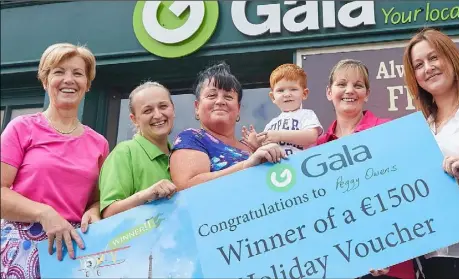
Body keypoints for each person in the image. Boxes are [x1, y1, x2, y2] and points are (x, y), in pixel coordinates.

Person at [1, 43, 109, 278]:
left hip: (74, 253)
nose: (68, 79)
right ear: (45, 81)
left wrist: (94, 210)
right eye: (59, 72)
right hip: (20, 249)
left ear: (87, 85)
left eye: (77, 73)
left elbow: (97, 200)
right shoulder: (21, 128)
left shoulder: (99, 143)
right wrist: (44, 213)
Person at [317, 59, 415, 279]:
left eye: (358, 85)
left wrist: (391, 249)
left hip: (391, 267)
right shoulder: (318, 147)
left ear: (367, 93)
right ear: (328, 92)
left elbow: (410, 193)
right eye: (341, 84)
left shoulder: (389, 131)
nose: (349, 91)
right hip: (340, 266)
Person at [403, 28, 459, 279]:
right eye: (418, 64)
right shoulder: (419, 129)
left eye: (433, 58)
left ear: (451, 58)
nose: (427, 68)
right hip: (431, 260)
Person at [170, 62, 287, 190]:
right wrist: (245, 166)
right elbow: (187, 189)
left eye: (228, 96)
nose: (220, 101)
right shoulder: (192, 138)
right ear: (197, 107)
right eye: (212, 95)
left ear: (238, 109)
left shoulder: (252, 148)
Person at [99, 82, 176, 218]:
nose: (158, 115)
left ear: (173, 109)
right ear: (134, 119)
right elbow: (109, 214)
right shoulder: (124, 153)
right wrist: (146, 195)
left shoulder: (180, 154)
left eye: (163, 106)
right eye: (148, 110)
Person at [241, 63, 323, 156]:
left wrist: (280, 136)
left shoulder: (307, 114)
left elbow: (311, 137)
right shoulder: (271, 125)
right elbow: (266, 154)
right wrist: (257, 146)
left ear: (304, 94)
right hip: (280, 169)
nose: (287, 94)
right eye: (281, 90)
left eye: (293, 89)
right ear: (273, 97)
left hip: (303, 166)